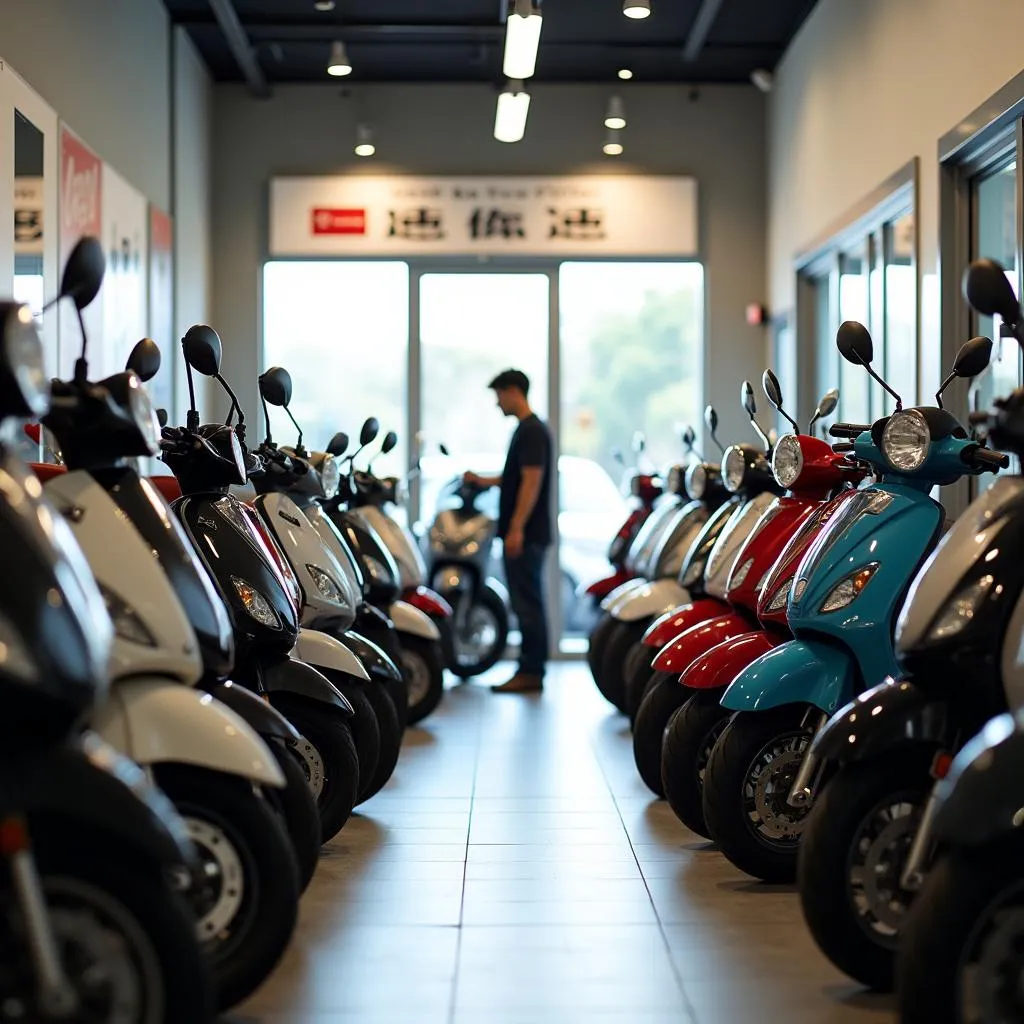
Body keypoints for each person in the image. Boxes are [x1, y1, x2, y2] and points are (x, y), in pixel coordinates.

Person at [464, 369, 553, 694]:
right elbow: (517, 476)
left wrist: (516, 528)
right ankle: (531, 670)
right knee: (527, 601)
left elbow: (531, 481)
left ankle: (530, 672)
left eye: (499, 395)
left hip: (527, 534)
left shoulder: (531, 431)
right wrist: (485, 481)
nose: (497, 403)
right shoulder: (528, 430)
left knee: (527, 604)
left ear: (513, 391)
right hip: (527, 532)